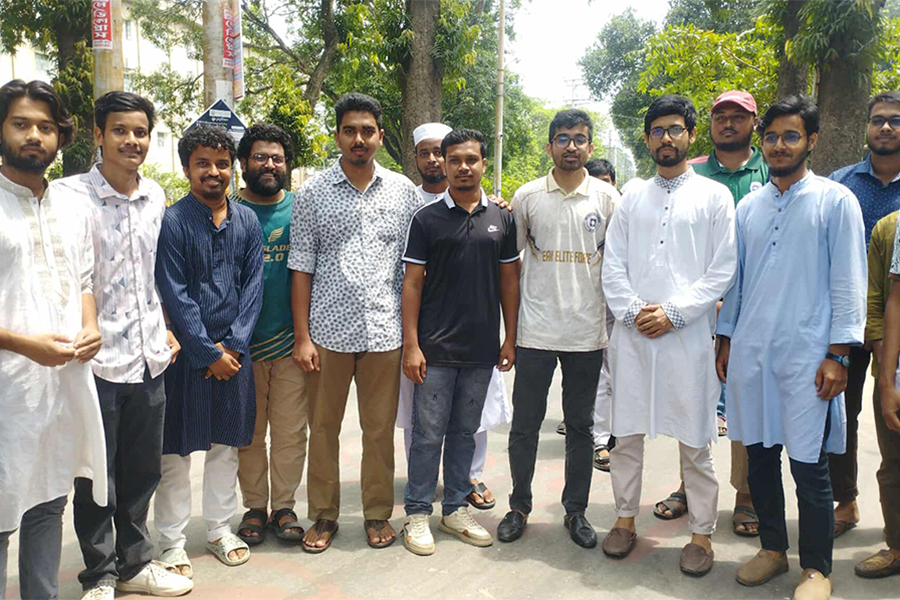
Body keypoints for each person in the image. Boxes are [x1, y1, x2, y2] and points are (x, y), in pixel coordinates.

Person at [717, 95, 866, 600]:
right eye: (773, 137)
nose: (780, 146)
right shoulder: (749, 205)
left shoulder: (834, 200)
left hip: (809, 357)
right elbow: (735, 284)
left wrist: (838, 354)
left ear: (812, 141)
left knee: (809, 466)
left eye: (791, 136)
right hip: (752, 353)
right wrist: (726, 338)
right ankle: (773, 551)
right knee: (759, 458)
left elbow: (849, 281)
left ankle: (817, 569)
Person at [53, 91, 192, 599]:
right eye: (120, 130)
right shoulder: (70, 196)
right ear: (98, 135)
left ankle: (135, 565)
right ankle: (100, 575)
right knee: (96, 474)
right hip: (96, 360)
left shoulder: (155, 195)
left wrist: (170, 329)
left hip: (150, 356)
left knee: (141, 470)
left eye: (140, 132)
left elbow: (159, 276)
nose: (131, 140)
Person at [600, 95, 735, 578]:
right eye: (657, 130)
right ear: (647, 138)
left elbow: (723, 270)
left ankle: (701, 533)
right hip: (634, 336)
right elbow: (612, 262)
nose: (666, 138)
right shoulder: (633, 193)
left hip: (687, 337)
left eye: (675, 129)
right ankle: (623, 519)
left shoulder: (715, 197)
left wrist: (674, 313)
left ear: (690, 135)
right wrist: (636, 312)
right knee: (626, 435)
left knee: (696, 437)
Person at [288, 93, 422, 553]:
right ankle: (323, 515)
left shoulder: (403, 191)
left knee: (379, 429)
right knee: (322, 429)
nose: (359, 139)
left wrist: (410, 340)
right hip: (327, 332)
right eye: (350, 130)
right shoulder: (312, 194)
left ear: (380, 137)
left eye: (367, 130)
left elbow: (412, 269)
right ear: (338, 135)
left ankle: (377, 513)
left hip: (384, 332)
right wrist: (302, 337)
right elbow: (301, 266)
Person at [0, 79, 107, 600]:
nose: (34, 136)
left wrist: (89, 325)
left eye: (45, 126)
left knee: (47, 502)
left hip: (62, 384)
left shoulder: (70, 205)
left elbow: (83, 282)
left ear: (60, 136)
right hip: (7, 391)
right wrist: (24, 345)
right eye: (21, 123)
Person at [497, 108, 618, 548]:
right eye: (563, 138)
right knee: (524, 426)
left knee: (582, 428)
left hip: (586, 334)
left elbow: (618, 266)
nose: (571, 146)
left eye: (580, 139)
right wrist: (509, 335)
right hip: (535, 332)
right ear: (549, 146)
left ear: (590, 146)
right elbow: (509, 269)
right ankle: (519, 506)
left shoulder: (607, 201)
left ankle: (576, 511)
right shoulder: (527, 196)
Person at [400, 128, 520, 555]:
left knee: (466, 432)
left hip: (481, 349)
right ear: (444, 165)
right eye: (455, 160)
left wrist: (510, 338)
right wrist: (412, 344)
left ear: (483, 163)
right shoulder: (426, 218)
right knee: (427, 433)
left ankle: (453, 508)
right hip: (434, 350)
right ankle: (416, 513)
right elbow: (411, 284)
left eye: (471, 159)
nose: (463, 167)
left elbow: (510, 279)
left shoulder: (502, 218)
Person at [654, 90, 768, 538]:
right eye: (720, 115)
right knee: (695, 402)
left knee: (743, 404)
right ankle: (687, 488)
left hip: (753, 309)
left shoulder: (770, 169)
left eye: (737, 117)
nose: (728, 123)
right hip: (698, 312)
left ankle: (746, 496)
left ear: (753, 123)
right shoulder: (693, 172)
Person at [154, 125, 264, 576]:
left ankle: (220, 529)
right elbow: (174, 292)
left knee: (226, 449)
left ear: (232, 167)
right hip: (185, 359)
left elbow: (253, 289)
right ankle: (171, 543)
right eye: (203, 163)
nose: (214, 172)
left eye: (222, 163)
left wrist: (232, 348)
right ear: (187, 169)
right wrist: (206, 351)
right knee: (175, 454)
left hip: (235, 357)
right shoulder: (173, 221)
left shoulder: (247, 221)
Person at [229, 123, 309, 547]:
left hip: (292, 342)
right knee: (249, 433)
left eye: (277, 158)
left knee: (292, 430)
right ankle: (255, 507)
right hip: (240, 346)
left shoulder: (300, 208)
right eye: (260, 157)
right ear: (244, 163)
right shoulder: (225, 209)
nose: (269, 164)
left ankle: (284, 506)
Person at [828, 90, 900, 539]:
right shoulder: (841, 183)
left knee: (892, 415)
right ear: (867, 128)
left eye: (895, 120)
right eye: (878, 120)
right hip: (848, 319)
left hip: (897, 321)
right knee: (841, 413)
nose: (886, 128)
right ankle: (846, 501)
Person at [860, 208, 900, 579]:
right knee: (894, 465)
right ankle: (897, 547)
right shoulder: (892, 228)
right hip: (896, 369)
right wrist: (885, 379)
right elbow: (884, 299)